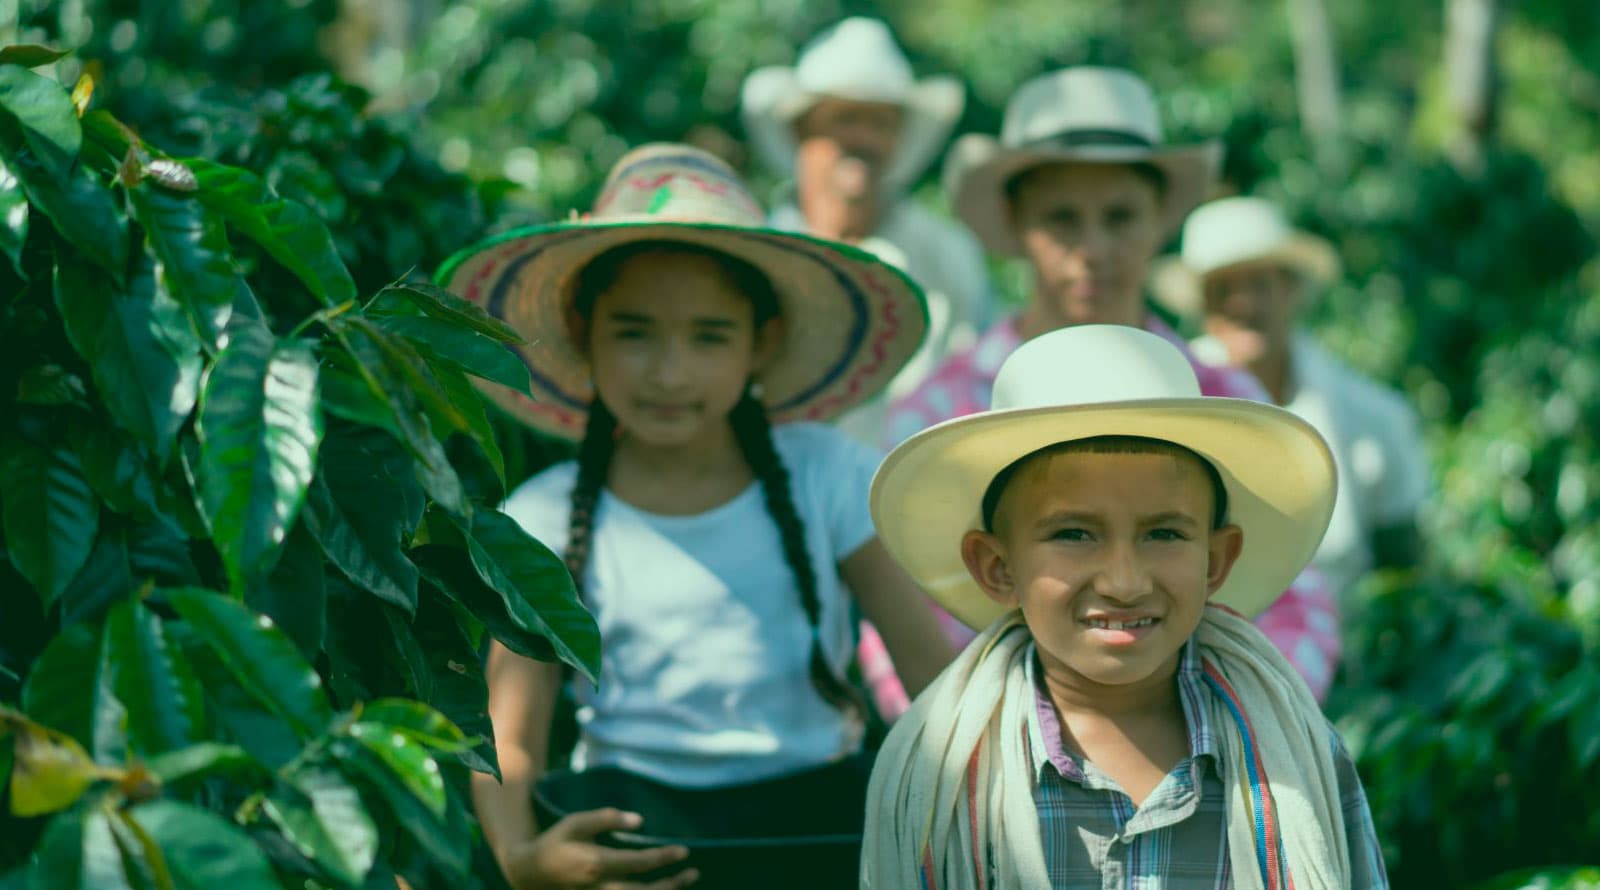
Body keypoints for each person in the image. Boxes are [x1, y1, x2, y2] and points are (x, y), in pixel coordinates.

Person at [436, 144, 956, 890]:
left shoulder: (828, 478)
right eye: (634, 332)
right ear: (586, 335)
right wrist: (524, 858)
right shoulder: (546, 519)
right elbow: (509, 734)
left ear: (760, 342)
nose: (670, 372)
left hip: (813, 841)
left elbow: (934, 683)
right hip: (634, 848)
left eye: (709, 336)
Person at [858, 67, 1341, 721]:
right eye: (1063, 220)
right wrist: (980, 746)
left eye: (1119, 217)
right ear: (1017, 224)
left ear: (1159, 223)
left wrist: (1242, 733)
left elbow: (1297, 597)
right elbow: (901, 609)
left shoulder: (1225, 396)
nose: (1093, 248)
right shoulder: (944, 411)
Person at [862, 324, 1388, 889]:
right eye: (1073, 534)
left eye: (1163, 535)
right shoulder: (941, 772)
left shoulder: (1297, 754)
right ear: (997, 567)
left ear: (1217, 560)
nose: (1124, 582)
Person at [1157, 195, 1430, 600]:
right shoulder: (1166, 401)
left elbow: (1404, 567)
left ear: (1290, 290)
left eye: (1259, 284)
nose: (1243, 303)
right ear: (1202, 304)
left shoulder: (1371, 415)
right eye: (1224, 288)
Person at [741, 16, 995, 447]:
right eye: (846, 118)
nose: (864, 139)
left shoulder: (947, 254)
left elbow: (980, 378)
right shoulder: (753, 254)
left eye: (881, 123)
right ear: (800, 130)